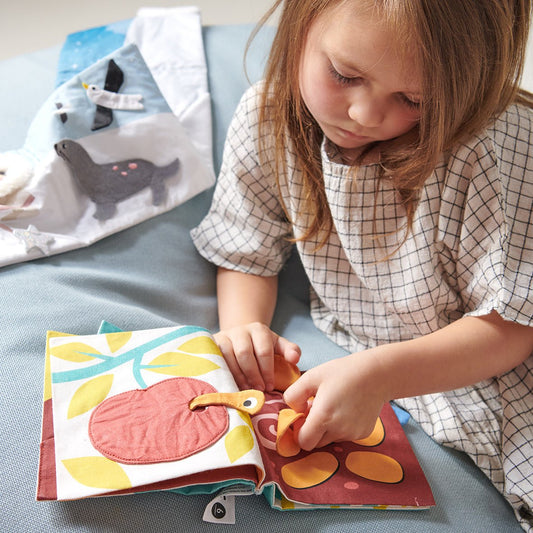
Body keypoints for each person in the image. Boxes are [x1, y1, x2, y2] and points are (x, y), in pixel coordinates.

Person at [191, 0, 533, 528]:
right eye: (345, 75)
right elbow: (245, 248)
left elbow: (513, 325)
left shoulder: (488, 148)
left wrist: (381, 375)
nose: (365, 115)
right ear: (302, 23)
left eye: (414, 99)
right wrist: (244, 329)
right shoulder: (268, 117)